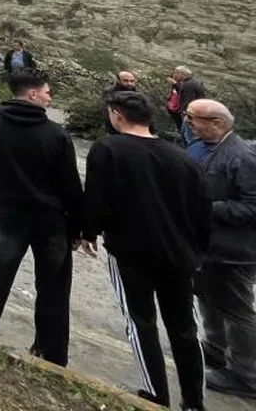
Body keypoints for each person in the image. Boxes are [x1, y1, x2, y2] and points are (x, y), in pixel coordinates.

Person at [81, 89, 209, 410]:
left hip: (131, 251)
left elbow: (97, 197)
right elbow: (201, 209)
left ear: (116, 115)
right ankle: (194, 401)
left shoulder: (108, 148)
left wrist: (88, 231)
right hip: (179, 254)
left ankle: (155, 395)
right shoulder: (182, 157)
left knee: (140, 322)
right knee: (185, 328)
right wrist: (198, 252)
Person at [0, 68, 83, 367]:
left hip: (8, 216)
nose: (50, 97)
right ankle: (51, 353)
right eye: (47, 92)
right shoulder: (56, 134)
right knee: (53, 288)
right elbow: (71, 187)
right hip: (52, 222)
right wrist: (77, 228)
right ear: (32, 93)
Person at [184, 98, 256, 399]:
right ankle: (214, 350)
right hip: (208, 246)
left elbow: (252, 207)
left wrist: (208, 207)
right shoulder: (201, 147)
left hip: (234, 253)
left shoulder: (242, 157)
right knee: (208, 298)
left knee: (237, 311)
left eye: (193, 117)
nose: (187, 122)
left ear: (216, 123)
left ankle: (247, 375)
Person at [167, 67, 207, 139]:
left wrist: (181, 112)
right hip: (193, 113)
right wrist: (175, 85)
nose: (173, 75)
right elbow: (182, 91)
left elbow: (188, 100)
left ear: (181, 74)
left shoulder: (188, 85)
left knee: (188, 135)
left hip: (190, 114)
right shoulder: (190, 82)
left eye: (175, 73)